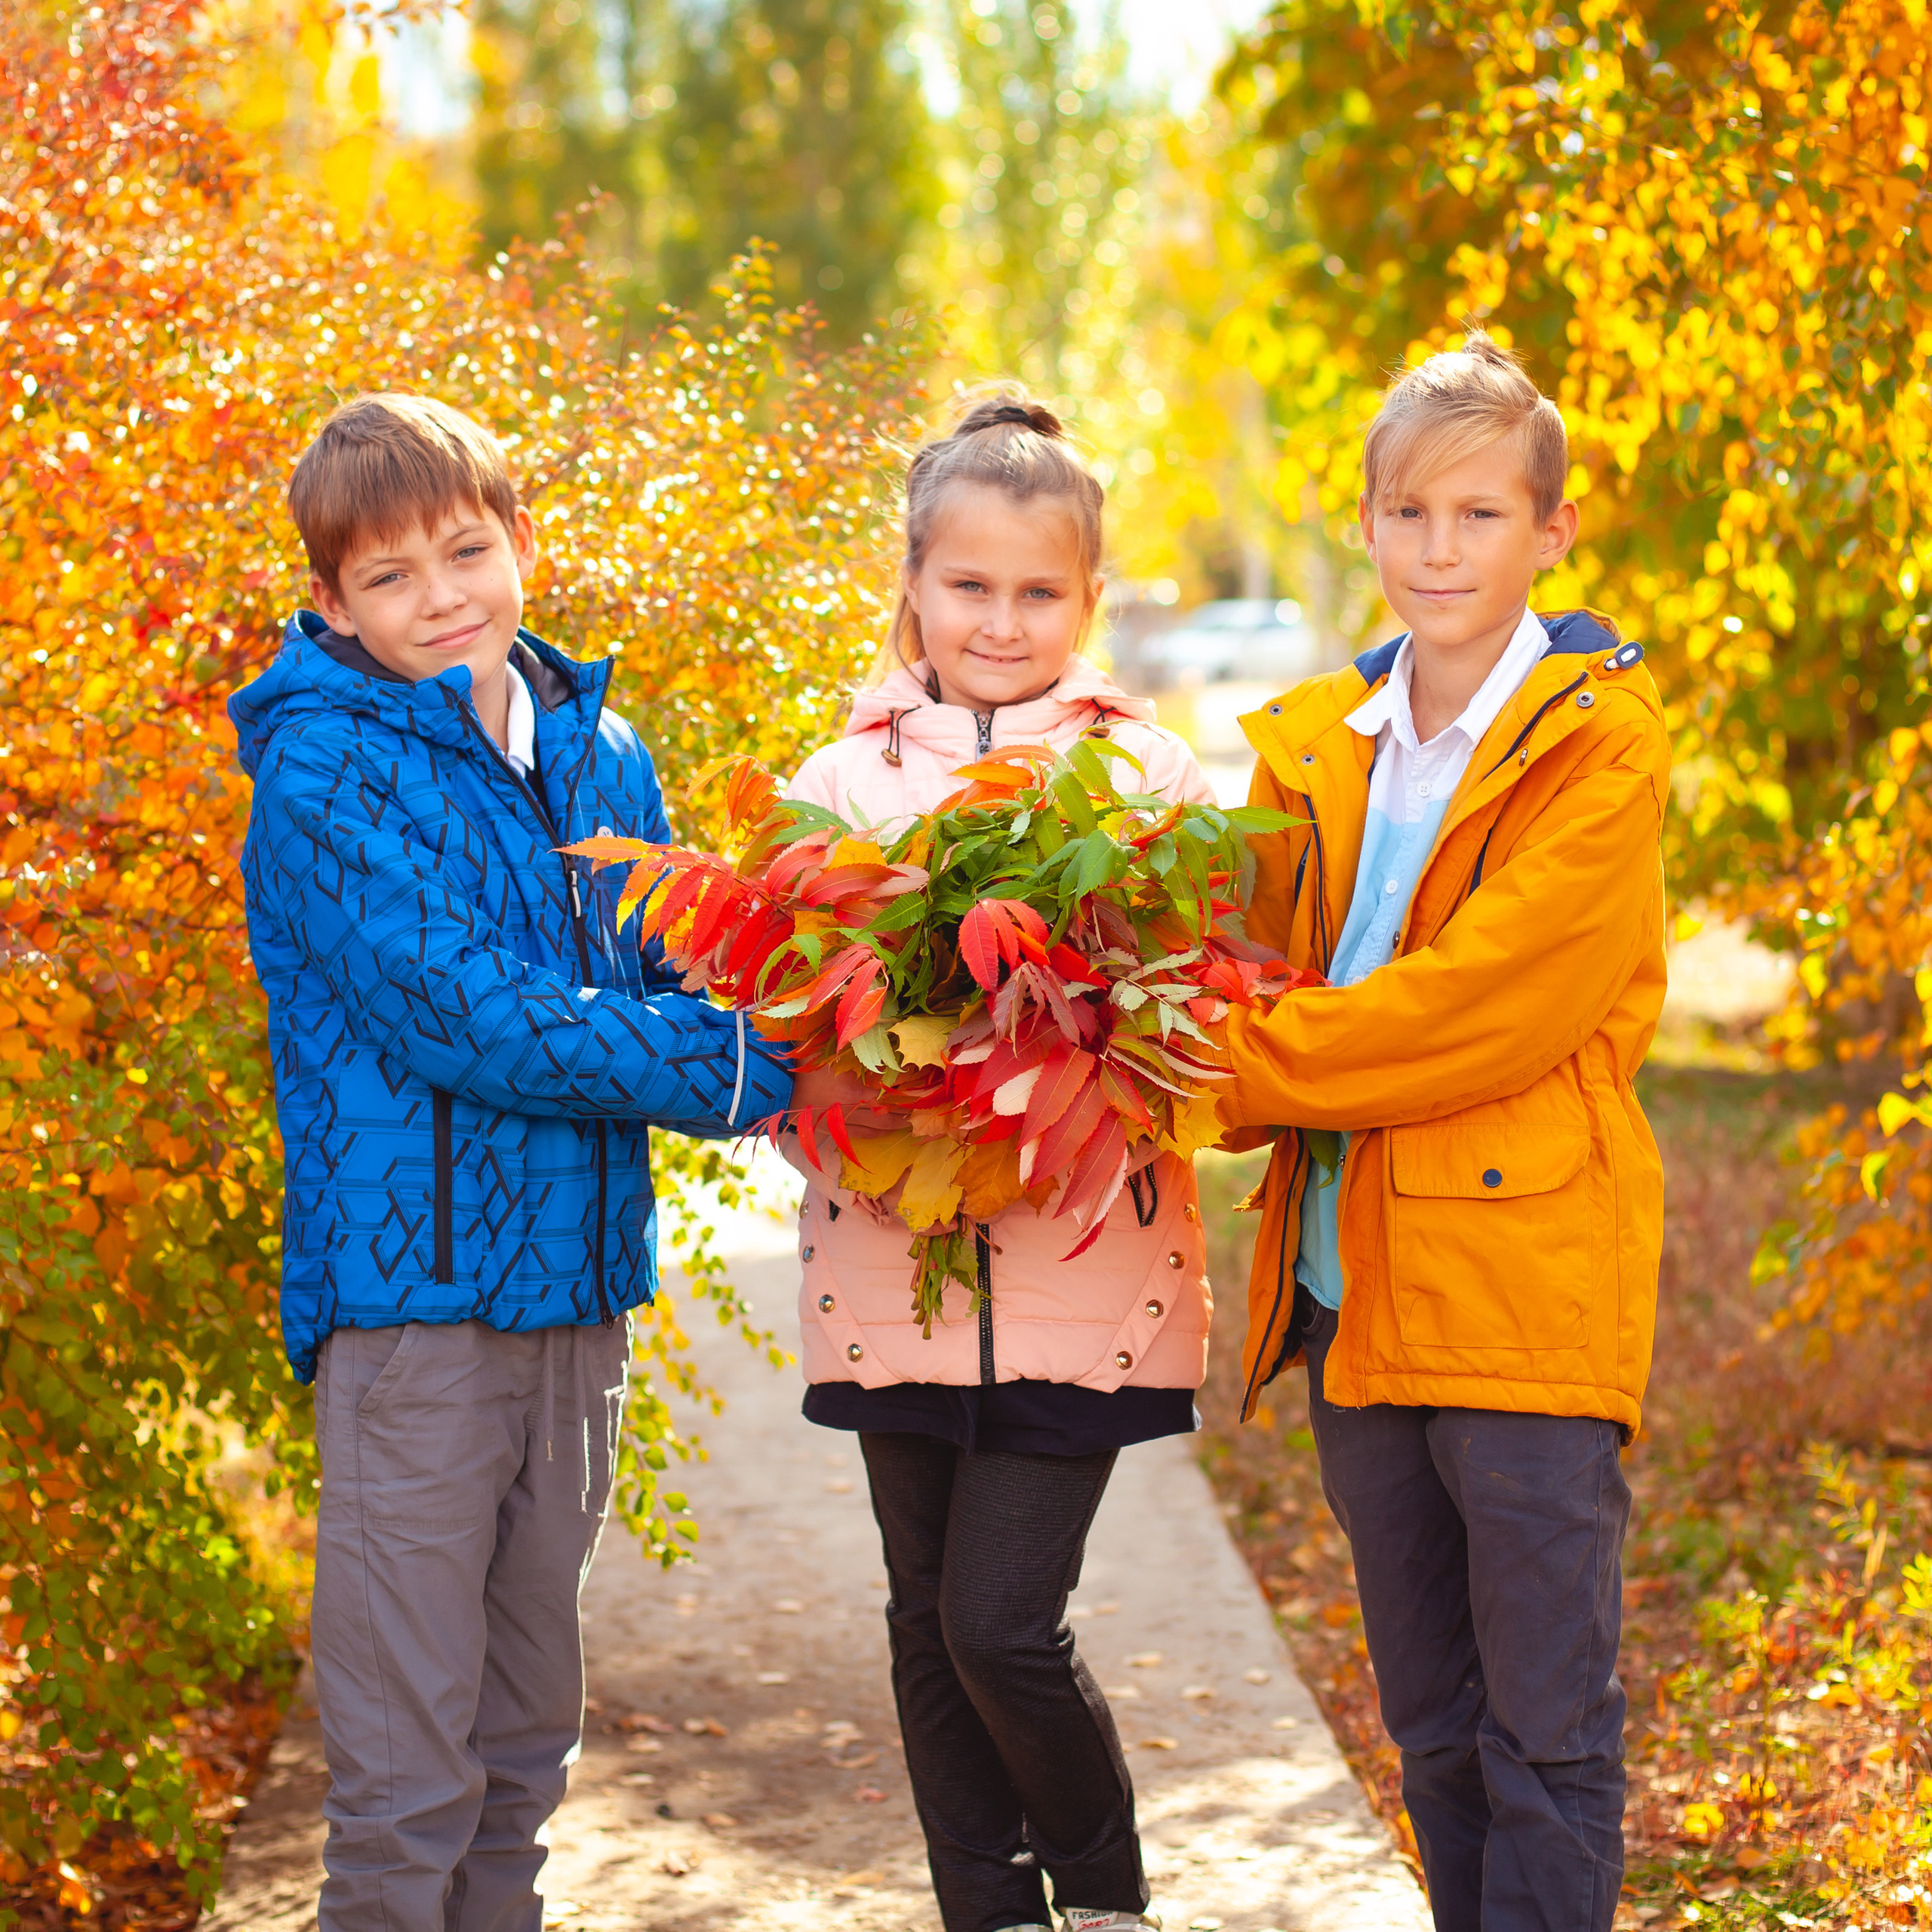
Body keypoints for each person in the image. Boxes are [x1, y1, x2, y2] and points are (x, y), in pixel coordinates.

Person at [228, 392, 792, 1931]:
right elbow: (476, 1021)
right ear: (332, 602)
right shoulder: (325, 777)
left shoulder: (603, 751)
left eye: (465, 551)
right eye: (390, 577)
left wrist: (821, 1023)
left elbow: (674, 972)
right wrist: (742, 1069)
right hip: (415, 1312)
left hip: (576, 1305)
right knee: (407, 1785)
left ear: (520, 541)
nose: (441, 596)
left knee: (520, 1753)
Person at [1216, 331, 1669, 1932]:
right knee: (1428, 1723)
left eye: (1478, 514)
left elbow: (1479, 1009)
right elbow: (1218, 951)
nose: (1437, 547)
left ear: (1549, 533)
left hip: (1521, 1289)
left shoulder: (1600, 747)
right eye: (1407, 512)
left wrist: (1231, 1062)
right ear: (1362, 524)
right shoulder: (1308, 746)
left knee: (1543, 1732)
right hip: (1350, 1293)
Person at [785, 389, 1211, 1932]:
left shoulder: (1144, 783)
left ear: (1086, 601)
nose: (1001, 619)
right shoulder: (835, 790)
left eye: (1038, 591)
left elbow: (1184, 1030)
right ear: (910, 585)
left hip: (1079, 1273)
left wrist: (1063, 1040)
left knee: (999, 1621)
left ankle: (1101, 1897)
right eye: (969, 585)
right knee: (923, 1619)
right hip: (892, 1264)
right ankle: (985, 1912)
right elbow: (786, 1037)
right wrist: (876, 1063)